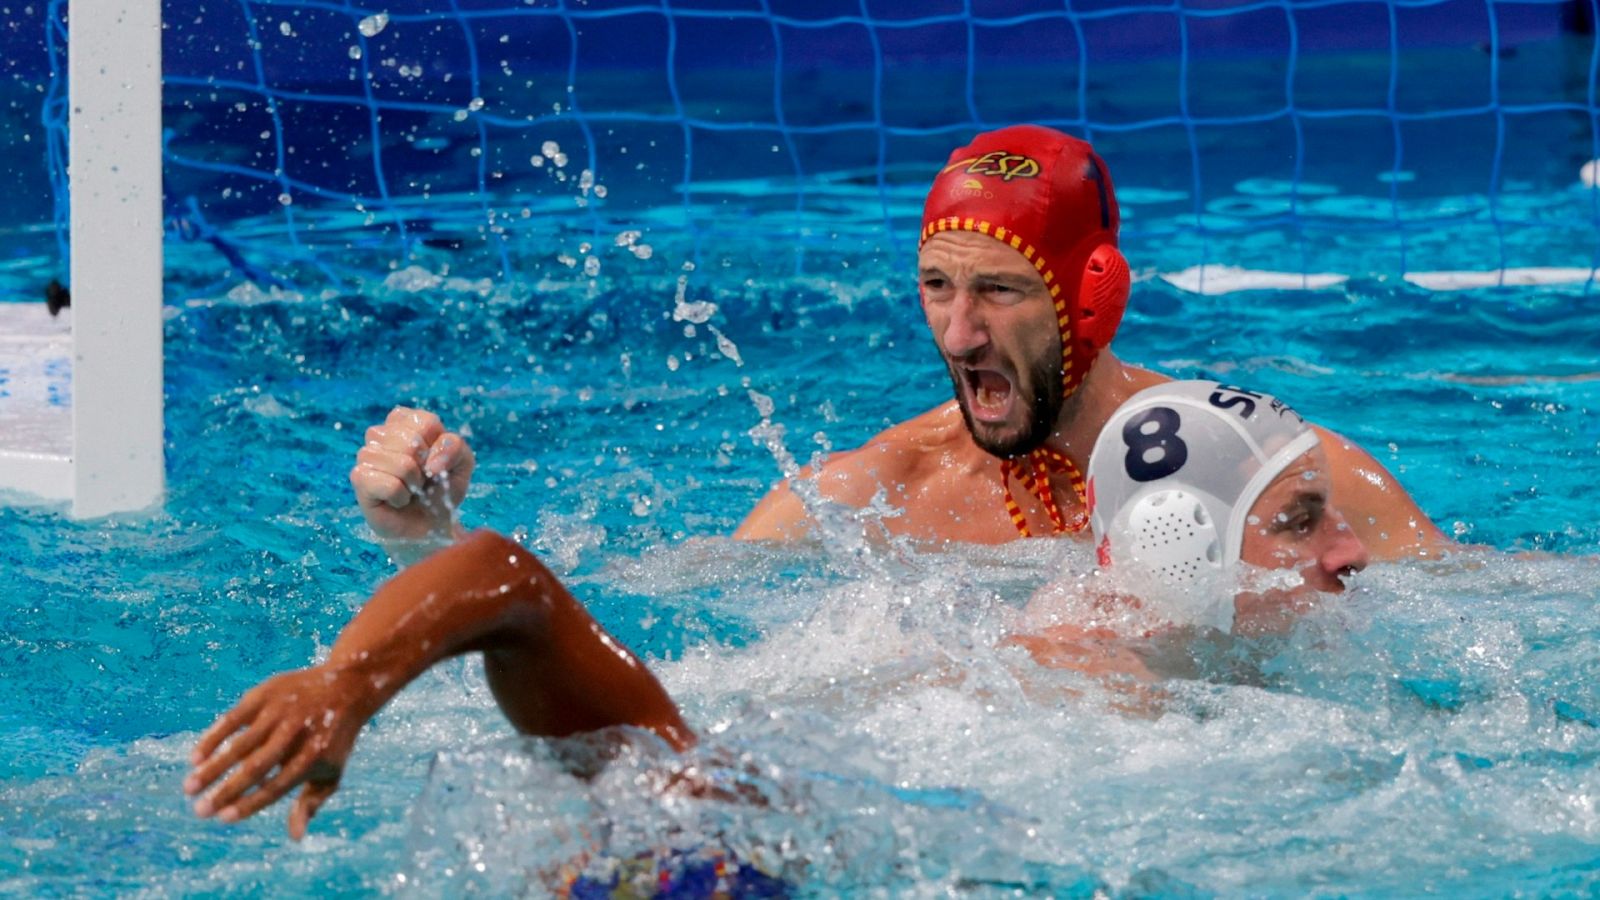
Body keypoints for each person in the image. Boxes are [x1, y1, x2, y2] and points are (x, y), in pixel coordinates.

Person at [190, 381, 1367, 852]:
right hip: (732, 827)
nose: (1348, 553)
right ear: (1183, 543)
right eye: (1303, 520)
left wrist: (345, 686)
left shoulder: (1078, 646)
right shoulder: (1104, 682)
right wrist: (343, 675)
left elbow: (515, 586)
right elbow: (508, 578)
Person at [350, 125, 1445, 561]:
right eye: (934, 287)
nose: (959, 333)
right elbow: (645, 632)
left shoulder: (1273, 477)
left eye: (1001, 293)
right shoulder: (870, 494)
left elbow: (1489, 617)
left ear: (1092, 298)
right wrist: (426, 542)